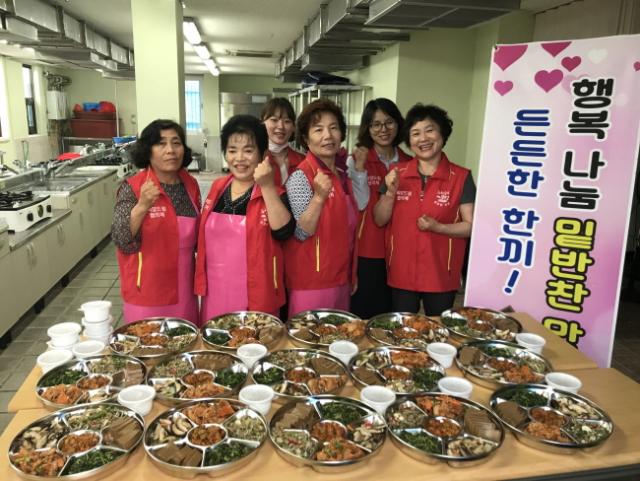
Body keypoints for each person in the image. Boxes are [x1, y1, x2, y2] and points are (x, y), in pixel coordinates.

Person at [373, 104, 475, 315]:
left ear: (442, 134)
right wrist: (390, 192)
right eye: (415, 133)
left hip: (441, 274)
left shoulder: (461, 177)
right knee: (402, 329)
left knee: (440, 330)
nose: (423, 139)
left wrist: (439, 228)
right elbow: (380, 219)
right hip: (402, 273)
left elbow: (471, 226)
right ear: (409, 140)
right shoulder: (396, 173)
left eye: (429, 130)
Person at [194, 115, 294, 322]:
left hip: (258, 295)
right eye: (232, 150)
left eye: (248, 151)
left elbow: (284, 232)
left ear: (263, 155)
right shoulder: (218, 187)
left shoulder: (274, 192)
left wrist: (267, 186)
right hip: (215, 293)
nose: (239, 158)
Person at [112, 119, 201, 324]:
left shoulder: (190, 185)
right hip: (147, 294)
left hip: (184, 292)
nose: (170, 150)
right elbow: (121, 239)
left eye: (176, 143)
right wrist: (142, 205)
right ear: (148, 150)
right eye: (161, 144)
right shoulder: (133, 187)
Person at [285, 99, 358, 317]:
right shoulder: (301, 176)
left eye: (333, 128)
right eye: (318, 130)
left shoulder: (343, 176)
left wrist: (351, 273)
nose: (328, 135)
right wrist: (318, 197)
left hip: (341, 278)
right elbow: (301, 232)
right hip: (312, 283)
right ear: (306, 139)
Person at [348, 98, 412, 318]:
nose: (383, 129)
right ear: (367, 128)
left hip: (399, 251)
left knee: (393, 315)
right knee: (363, 315)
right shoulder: (356, 161)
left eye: (389, 122)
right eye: (376, 124)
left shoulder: (410, 163)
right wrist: (359, 168)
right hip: (367, 250)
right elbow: (356, 204)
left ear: (398, 124)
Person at [261, 97, 305, 186]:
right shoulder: (256, 159)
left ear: (293, 127)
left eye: (287, 121)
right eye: (274, 120)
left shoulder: (303, 160)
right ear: (262, 123)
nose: (281, 126)